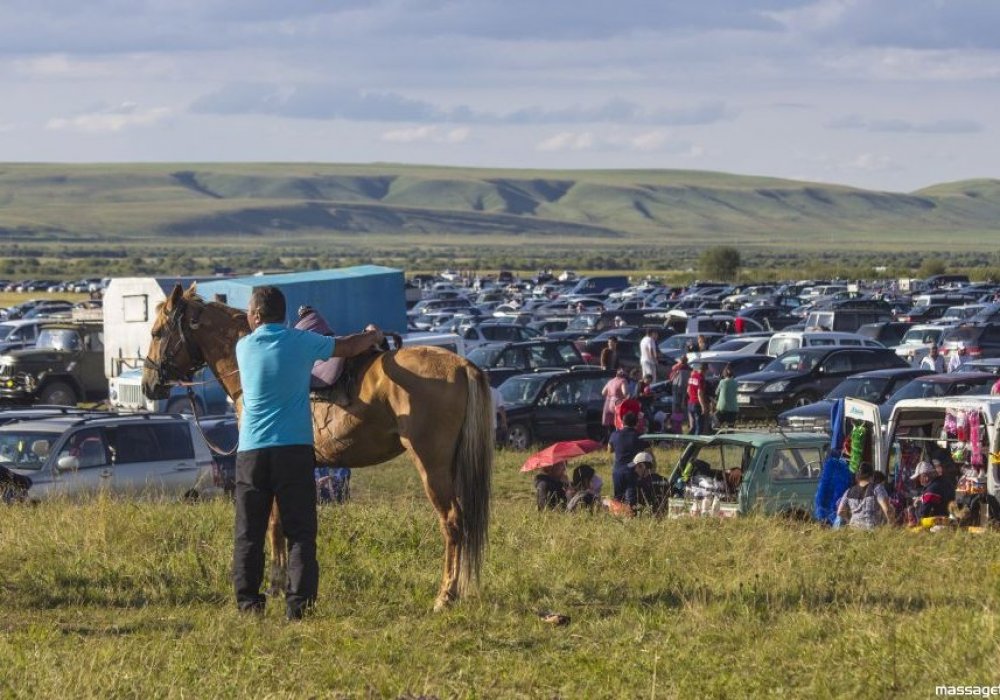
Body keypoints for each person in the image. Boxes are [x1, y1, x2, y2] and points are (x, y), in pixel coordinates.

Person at [233, 285, 384, 620]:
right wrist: (372, 335)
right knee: (300, 532)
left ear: (256, 315)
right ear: (282, 315)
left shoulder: (243, 347)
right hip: (294, 449)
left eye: (248, 310)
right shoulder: (301, 342)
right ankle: (298, 608)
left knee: (249, 531)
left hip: (252, 453)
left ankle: (248, 605)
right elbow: (347, 346)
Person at [836, 463, 895, 529]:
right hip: (873, 531)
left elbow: (840, 512)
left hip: (854, 530)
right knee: (892, 508)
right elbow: (887, 510)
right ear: (872, 476)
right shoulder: (877, 488)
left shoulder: (848, 491)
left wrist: (849, 520)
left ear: (858, 476)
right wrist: (891, 526)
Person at [608, 411, 649, 501]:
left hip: (617, 471)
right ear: (636, 423)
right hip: (632, 471)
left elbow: (609, 450)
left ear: (622, 422)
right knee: (631, 500)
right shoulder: (639, 436)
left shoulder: (615, 434)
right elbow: (645, 453)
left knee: (618, 499)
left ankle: (618, 514)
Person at [627, 451, 670, 515]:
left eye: (636, 467)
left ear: (643, 466)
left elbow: (630, 507)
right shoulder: (664, 480)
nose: (635, 470)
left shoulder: (638, 484)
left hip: (646, 518)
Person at [601, 369, 629, 441]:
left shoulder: (610, 381)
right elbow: (625, 393)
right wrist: (627, 396)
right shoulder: (623, 381)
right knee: (618, 424)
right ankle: (619, 441)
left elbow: (603, 392)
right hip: (617, 403)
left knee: (609, 426)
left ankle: (610, 442)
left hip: (608, 403)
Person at [687, 362, 709, 435]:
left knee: (693, 426)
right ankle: (695, 443)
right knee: (699, 426)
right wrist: (703, 406)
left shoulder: (692, 376)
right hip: (697, 404)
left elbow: (688, 390)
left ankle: (688, 441)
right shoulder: (701, 378)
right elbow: (699, 393)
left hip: (690, 403)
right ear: (705, 370)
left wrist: (692, 397)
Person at [714, 363, 738, 429]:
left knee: (718, 425)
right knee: (731, 426)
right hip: (733, 407)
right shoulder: (736, 382)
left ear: (724, 373)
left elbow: (716, 393)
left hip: (722, 407)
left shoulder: (722, 382)